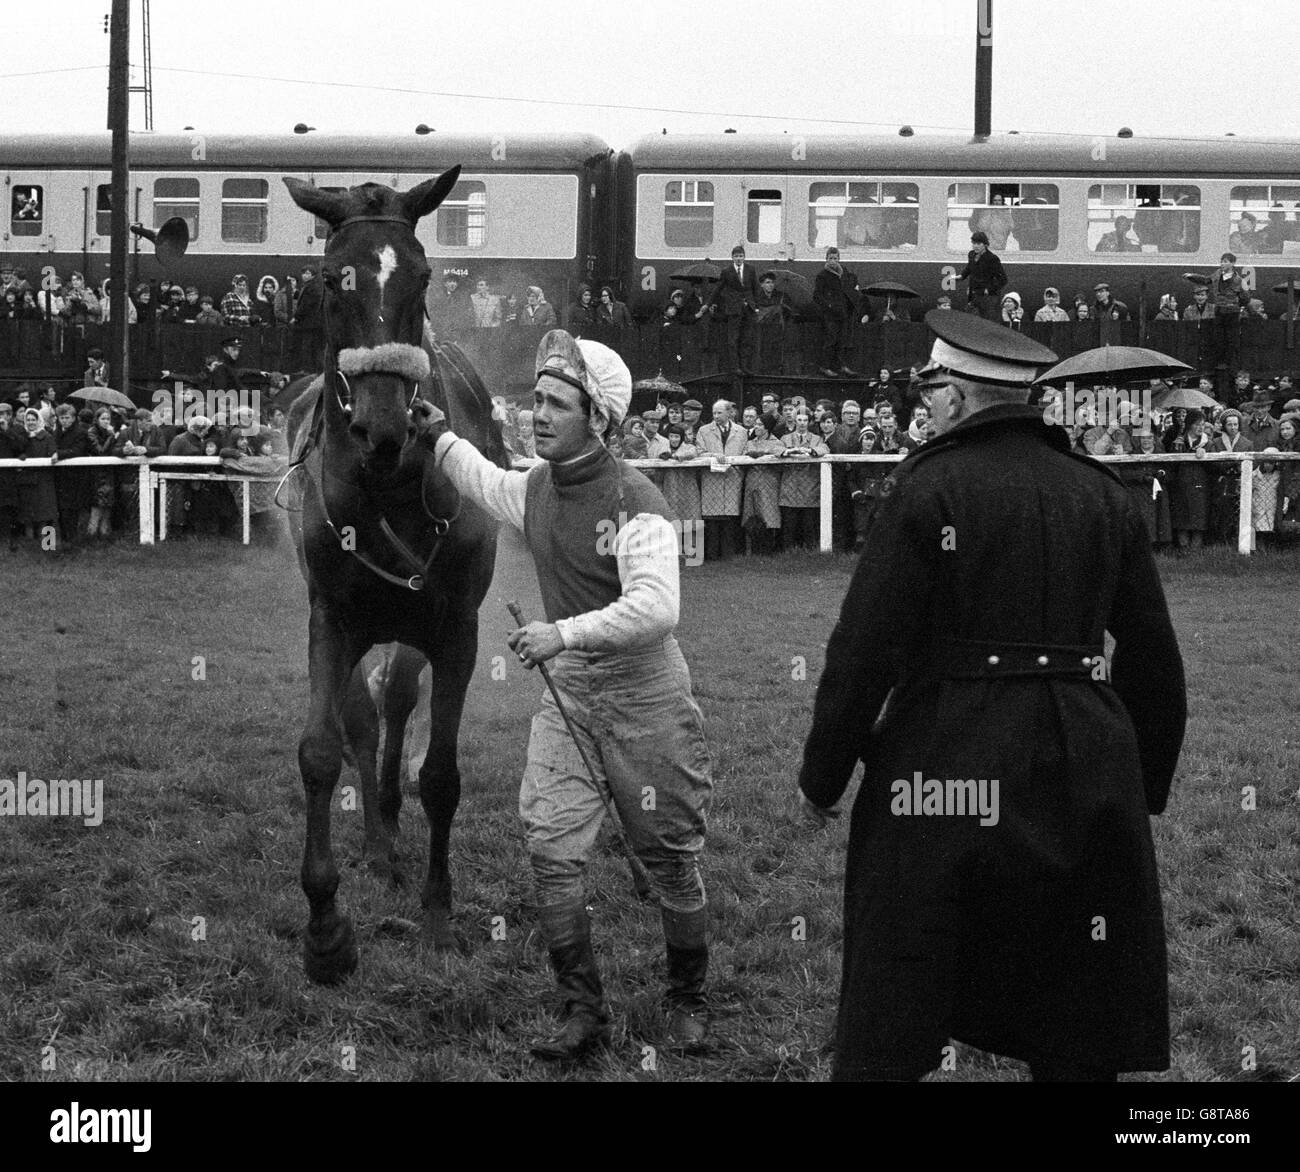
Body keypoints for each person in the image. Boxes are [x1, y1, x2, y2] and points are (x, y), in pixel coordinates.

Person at [797, 308, 1186, 1082]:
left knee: (907, 961)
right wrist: (1142, 782)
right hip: (1084, 759)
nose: (923, 401)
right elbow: (1153, 659)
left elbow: (861, 652)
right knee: (1076, 972)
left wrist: (823, 777)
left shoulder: (927, 487)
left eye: (931, 385)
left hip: (946, 755)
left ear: (963, 395)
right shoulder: (1102, 495)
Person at [414, 329, 714, 1059]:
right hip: (570, 695)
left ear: (599, 419)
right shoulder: (538, 486)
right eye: (535, 400)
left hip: (646, 696)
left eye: (554, 403)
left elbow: (656, 608)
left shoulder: (638, 501)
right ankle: (583, 1013)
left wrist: (563, 634)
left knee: (670, 857)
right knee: (550, 845)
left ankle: (689, 1000)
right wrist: (439, 436)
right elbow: (486, 480)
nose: (536, 415)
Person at [694, 398, 747, 560]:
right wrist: (713, 455)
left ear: (729, 413)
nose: (716, 416)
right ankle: (711, 556)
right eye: (714, 413)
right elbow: (699, 451)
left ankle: (728, 556)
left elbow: (745, 452)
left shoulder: (741, 431)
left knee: (730, 518)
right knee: (712, 518)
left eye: (719, 413)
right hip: (712, 478)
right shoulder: (703, 431)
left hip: (732, 478)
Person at [699, 246, 759, 374]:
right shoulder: (727, 271)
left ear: (744, 257)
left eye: (741, 256)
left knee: (746, 338)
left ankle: (744, 367)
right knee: (733, 339)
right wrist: (708, 304)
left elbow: (756, 288)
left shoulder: (751, 270)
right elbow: (718, 289)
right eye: (736, 256)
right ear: (732, 257)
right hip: (734, 308)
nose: (738, 259)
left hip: (748, 308)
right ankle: (735, 367)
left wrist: (756, 306)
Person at [778, 408, 828, 549]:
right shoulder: (785, 439)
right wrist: (787, 451)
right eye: (799, 420)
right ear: (794, 420)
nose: (802, 423)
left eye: (805, 420)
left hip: (809, 488)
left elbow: (825, 449)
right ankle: (788, 554)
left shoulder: (816, 439)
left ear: (809, 422)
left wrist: (811, 451)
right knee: (789, 527)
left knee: (809, 526)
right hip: (790, 487)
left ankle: (810, 555)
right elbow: (775, 449)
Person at [812, 247, 861, 378]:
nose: (833, 261)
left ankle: (842, 366)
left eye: (835, 258)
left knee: (842, 340)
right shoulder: (822, 275)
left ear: (839, 259)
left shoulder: (843, 273)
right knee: (830, 340)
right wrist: (829, 305)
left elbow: (848, 289)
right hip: (830, 314)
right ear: (826, 259)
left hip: (843, 312)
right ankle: (825, 367)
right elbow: (816, 296)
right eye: (830, 258)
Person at [740, 413, 784, 554]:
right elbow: (743, 454)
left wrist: (761, 452)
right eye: (756, 424)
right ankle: (753, 550)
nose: (756, 427)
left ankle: (768, 550)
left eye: (760, 424)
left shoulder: (776, 442)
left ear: (767, 427)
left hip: (768, 482)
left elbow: (779, 452)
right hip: (751, 481)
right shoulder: (750, 442)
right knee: (751, 514)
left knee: (768, 515)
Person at [956, 230, 1007, 320]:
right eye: (974, 243)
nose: (975, 246)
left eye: (978, 243)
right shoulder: (971, 254)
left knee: (987, 322)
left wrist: (988, 290)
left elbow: (1003, 279)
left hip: (988, 298)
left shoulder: (992, 258)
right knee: (972, 320)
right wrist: (962, 276)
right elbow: (970, 267)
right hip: (974, 294)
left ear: (985, 245)